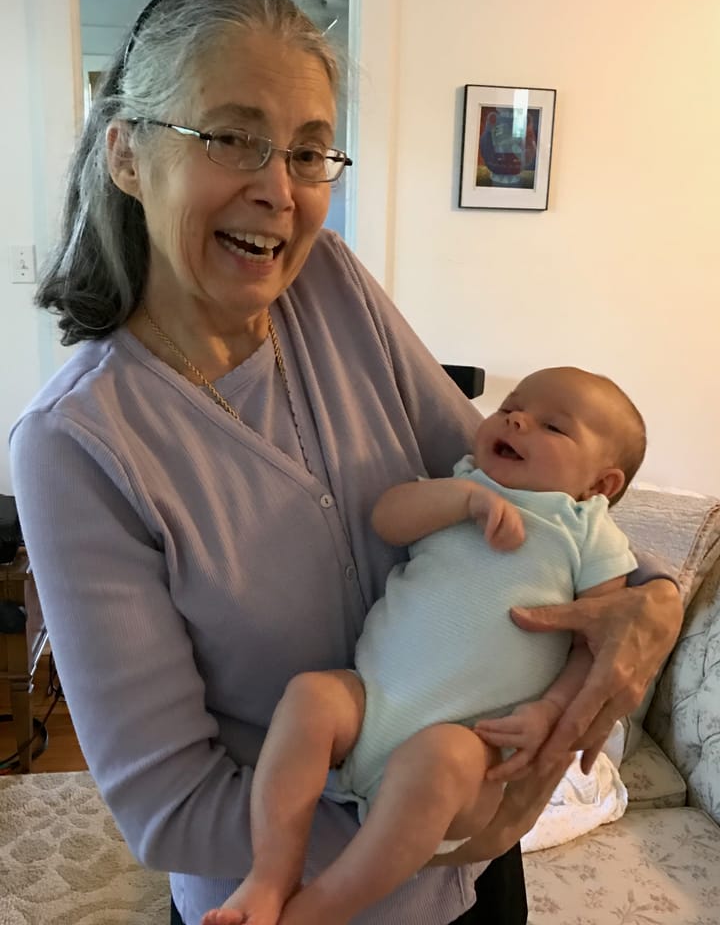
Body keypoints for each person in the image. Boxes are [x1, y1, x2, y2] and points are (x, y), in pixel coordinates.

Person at [8, 0, 682, 925]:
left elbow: (520, 489)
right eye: (232, 136)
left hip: (480, 879)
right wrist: (440, 828)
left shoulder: (329, 283)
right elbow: (170, 809)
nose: (278, 190)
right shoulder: (78, 445)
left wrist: (656, 597)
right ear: (126, 152)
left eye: (309, 151)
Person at [202, 366, 644, 925]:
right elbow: (387, 519)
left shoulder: (589, 532)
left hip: (472, 745)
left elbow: (597, 645)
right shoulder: (462, 483)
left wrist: (551, 710)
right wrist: (463, 500)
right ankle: (270, 876)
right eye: (511, 406)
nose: (517, 420)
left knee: (440, 757)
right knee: (311, 695)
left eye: (553, 426)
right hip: (372, 707)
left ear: (602, 485)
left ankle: (319, 909)